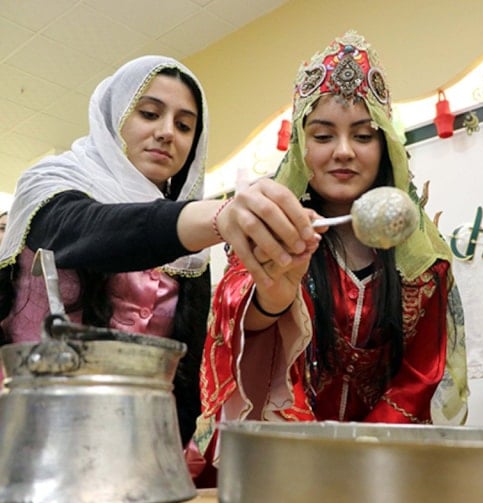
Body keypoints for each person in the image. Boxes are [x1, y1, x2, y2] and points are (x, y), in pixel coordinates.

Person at [198, 31, 469, 464]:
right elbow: (239, 334)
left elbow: (420, 379)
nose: (343, 152)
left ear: (385, 146)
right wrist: (273, 293)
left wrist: (358, 454)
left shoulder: (423, 263)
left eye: (362, 136)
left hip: (383, 462)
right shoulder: (269, 236)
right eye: (323, 137)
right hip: (287, 456)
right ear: (301, 146)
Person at [0, 55, 280, 451]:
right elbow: (82, 231)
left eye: (184, 126)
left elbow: (188, 362)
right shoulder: (52, 181)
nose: (166, 133)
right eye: (149, 114)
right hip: (33, 433)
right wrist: (215, 216)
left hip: (138, 445)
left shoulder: (190, 248)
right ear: (114, 116)